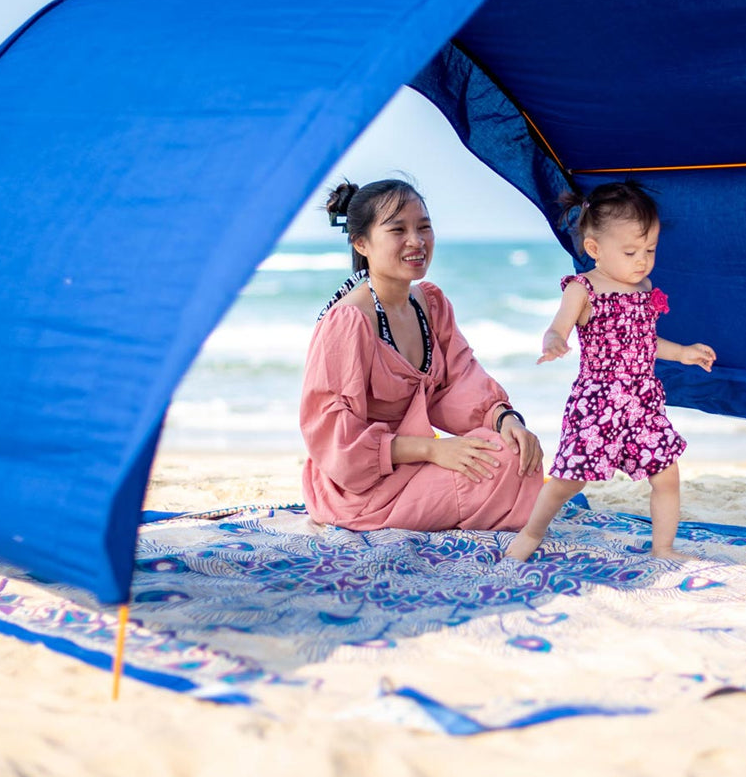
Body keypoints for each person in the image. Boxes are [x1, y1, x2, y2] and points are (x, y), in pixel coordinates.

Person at [300, 179, 545, 532]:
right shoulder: (349, 321)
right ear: (361, 243)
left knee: (514, 451)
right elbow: (336, 441)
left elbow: (460, 382)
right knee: (499, 471)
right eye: (397, 230)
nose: (416, 241)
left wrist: (506, 420)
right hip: (360, 486)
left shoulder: (429, 303)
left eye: (424, 227)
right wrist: (433, 451)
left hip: (415, 463)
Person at [504, 181, 715, 562]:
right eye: (631, 251)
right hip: (598, 404)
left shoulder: (644, 288)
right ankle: (531, 533)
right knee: (570, 479)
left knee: (666, 474)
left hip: (642, 402)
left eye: (650, 250)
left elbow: (645, 343)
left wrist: (682, 352)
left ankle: (663, 548)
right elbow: (558, 327)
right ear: (595, 249)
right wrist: (553, 341)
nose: (642, 261)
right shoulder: (583, 289)